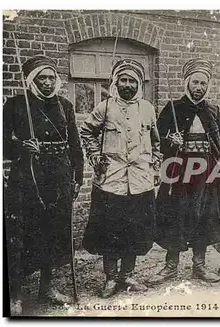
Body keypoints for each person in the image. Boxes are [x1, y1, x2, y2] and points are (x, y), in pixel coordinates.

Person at [4, 55, 84, 312]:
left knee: (54, 231)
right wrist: (19, 146)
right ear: (32, 80)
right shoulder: (16, 104)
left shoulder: (65, 105)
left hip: (58, 176)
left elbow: (75, 145)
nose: (48, 83)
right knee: (22, 234)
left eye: (51, 77)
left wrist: (77, 177)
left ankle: (47, 287)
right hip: (28, 175)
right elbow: (1, 142)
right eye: (42, 78)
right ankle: (15, 292)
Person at [80, 59, 161, 298]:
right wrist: (95, 154)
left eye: (132, 81)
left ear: (139, 84)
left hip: (139, 181)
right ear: (116, 82)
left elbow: (156, 142)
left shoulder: (147, 108)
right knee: (110, 230)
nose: (127, 85)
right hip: (111, 180)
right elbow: (86, 131)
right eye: (123, 80)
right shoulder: (105, 107)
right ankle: (111, 278)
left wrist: (155, 164)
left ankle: (127, 274)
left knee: (135, 230)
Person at [148, 58, 220, 285]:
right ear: (187, 83)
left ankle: (199, 265)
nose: (199, 87)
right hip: (178, 169)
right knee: (176, 213)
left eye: (203, 83)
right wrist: (170, 141)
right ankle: (170, 266)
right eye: (195, 82)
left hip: (205, 171)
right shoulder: (173, 108)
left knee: (203, 214)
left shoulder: (212, 110)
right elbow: (155, 141)